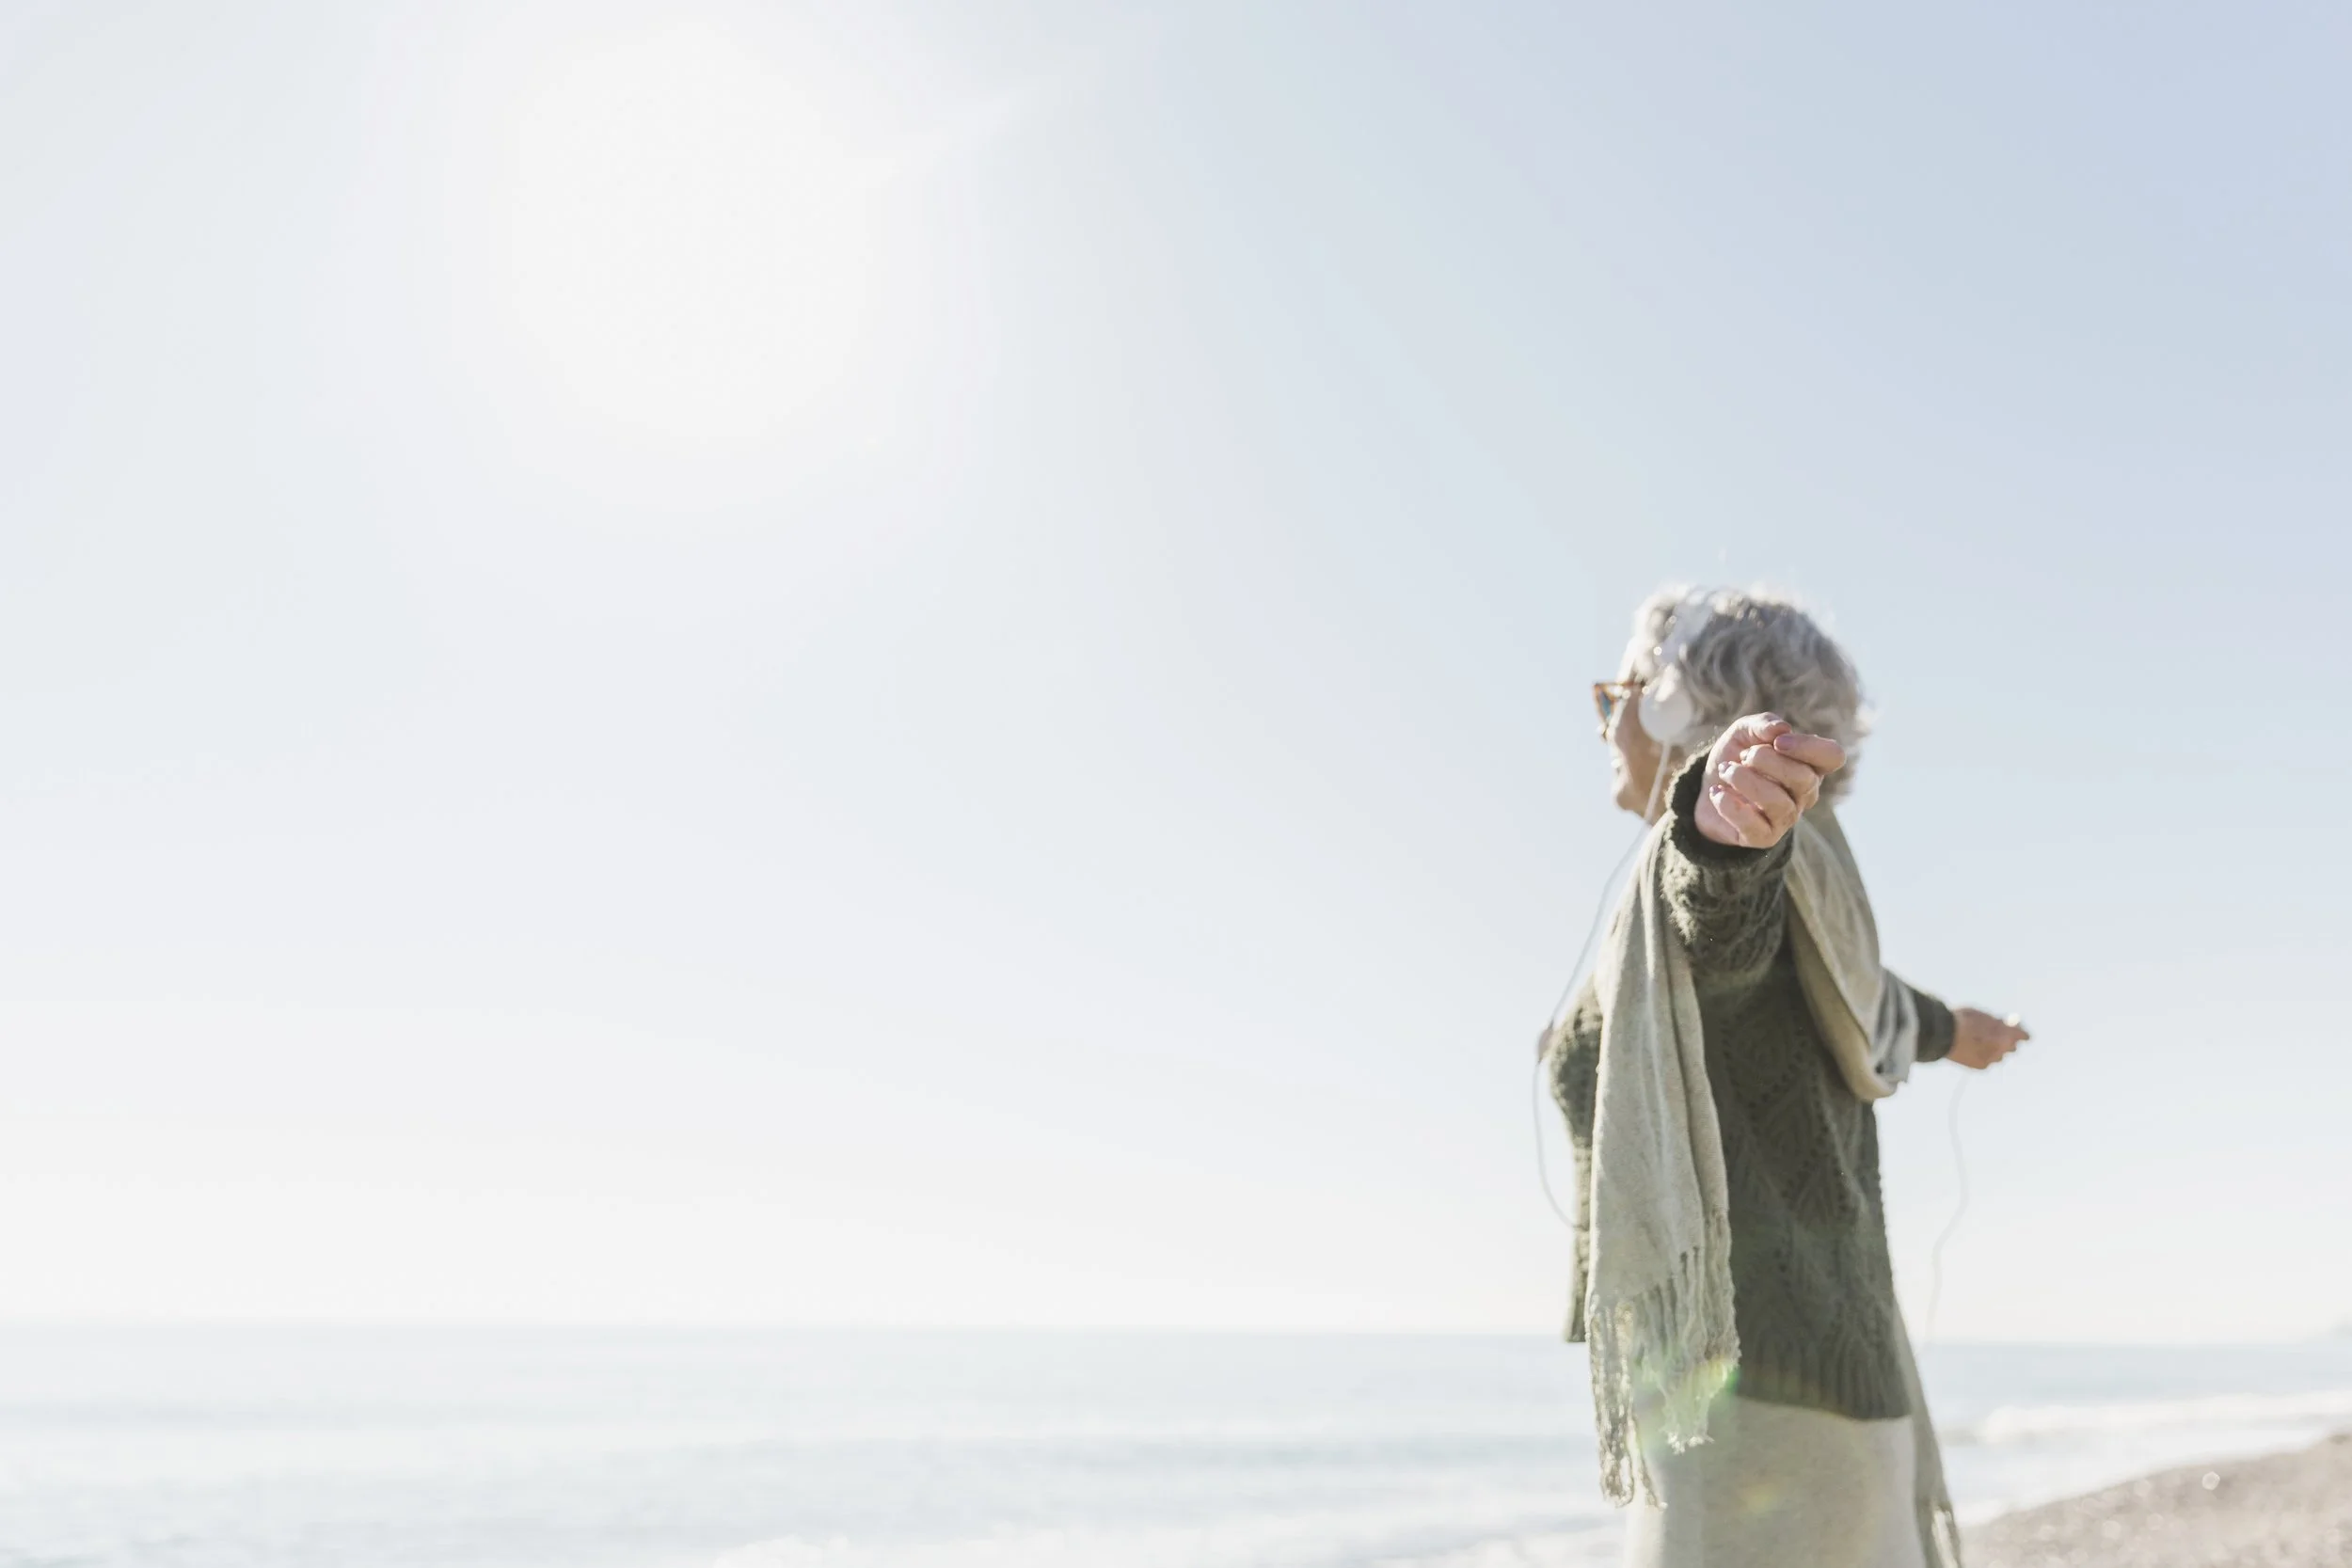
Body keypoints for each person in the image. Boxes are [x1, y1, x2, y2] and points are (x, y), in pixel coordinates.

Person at [1543, 586, 2028, 1568]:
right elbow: (1866, 995)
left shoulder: (1747, 857)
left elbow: (1722, 919)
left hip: (1763, 1399)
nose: (1605, 723)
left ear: (1675, 706)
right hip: (1796, 1378)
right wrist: (1952, 1028)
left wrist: (1723, 836)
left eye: (1616, 698)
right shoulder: (1817, 905)